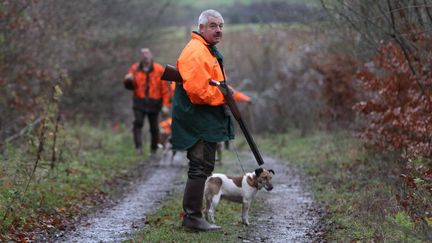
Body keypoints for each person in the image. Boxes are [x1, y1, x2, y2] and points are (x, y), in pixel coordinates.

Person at [171, 9, 233, 231]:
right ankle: (192, 218)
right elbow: (198, 92)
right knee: (199, 167)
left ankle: (194, 217)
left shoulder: (206, 49)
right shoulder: (197, 51)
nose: (218, 30)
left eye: (221, 26)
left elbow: (209, 83)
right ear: (202, 27)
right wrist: (223, 96)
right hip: (197, 119)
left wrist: (224, 89)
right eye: (214, 26)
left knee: (204, 165)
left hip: (202, 118)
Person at [123, 48, 170, 155]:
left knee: (154, 128)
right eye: (143, 54)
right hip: (139, 101)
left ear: (151, 55)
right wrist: (127, 80)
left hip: (155, 103)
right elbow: (129, 86)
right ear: (140, 56)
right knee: (138, 123)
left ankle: (153, 149)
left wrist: (166, 105)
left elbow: (165, 89)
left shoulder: (159, 69)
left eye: (147, 53)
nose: (145, 56)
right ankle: (138, 147)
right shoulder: (134, 68)